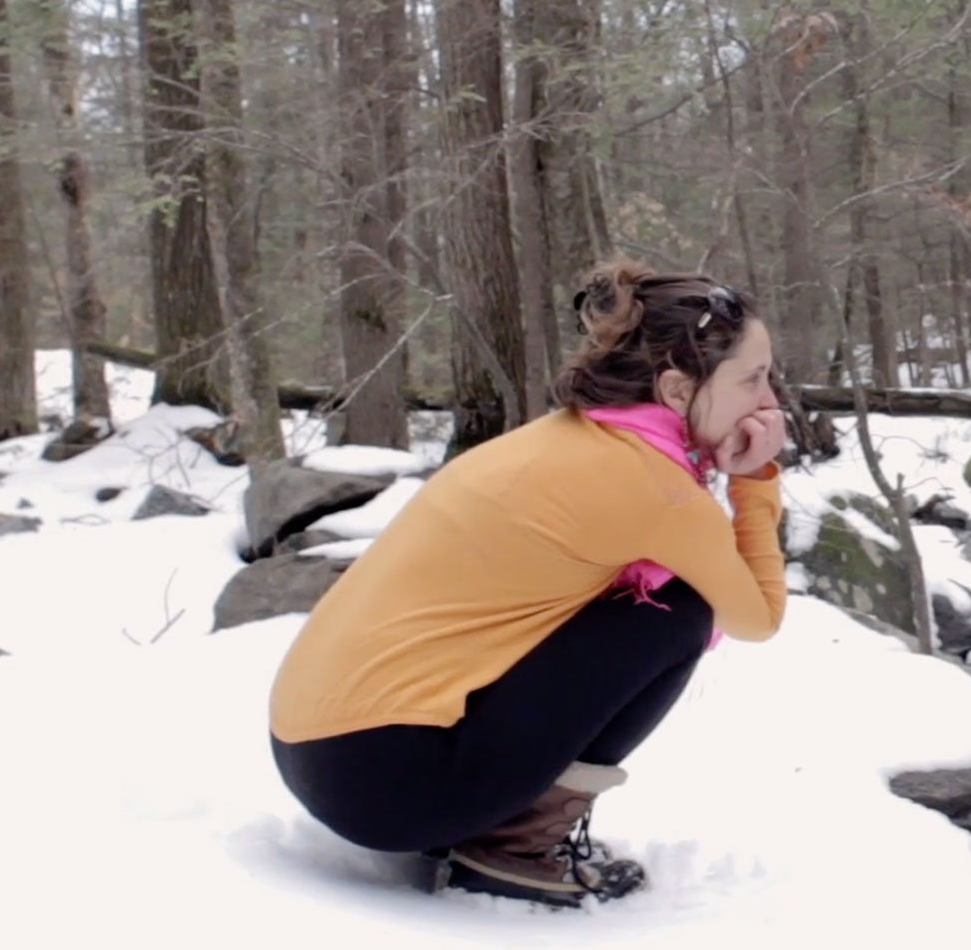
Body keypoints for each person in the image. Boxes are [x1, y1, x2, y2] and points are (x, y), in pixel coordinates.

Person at [267, 261, 789, 907]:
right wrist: (757, 482)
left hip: (321, 756)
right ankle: (512, 848)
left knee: (625, 604)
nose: (770, 403)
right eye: (752, 379)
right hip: (390, 785)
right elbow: (756, 617)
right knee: (678, 611)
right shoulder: (657, 490)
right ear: (678, 390)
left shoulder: (569, 436)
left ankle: (495, 819)